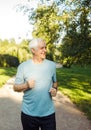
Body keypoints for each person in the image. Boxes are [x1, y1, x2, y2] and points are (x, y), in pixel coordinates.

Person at [13, 38, 58, 130]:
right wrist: (26, 85)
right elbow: (15, 87)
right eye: (42, 48)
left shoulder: (52, 65)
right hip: (29, 115)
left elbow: (55, 82)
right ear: (33, 50)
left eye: (45, 47)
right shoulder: (23, 67)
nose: (45, 50)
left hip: (48, 115)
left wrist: (55, 90)